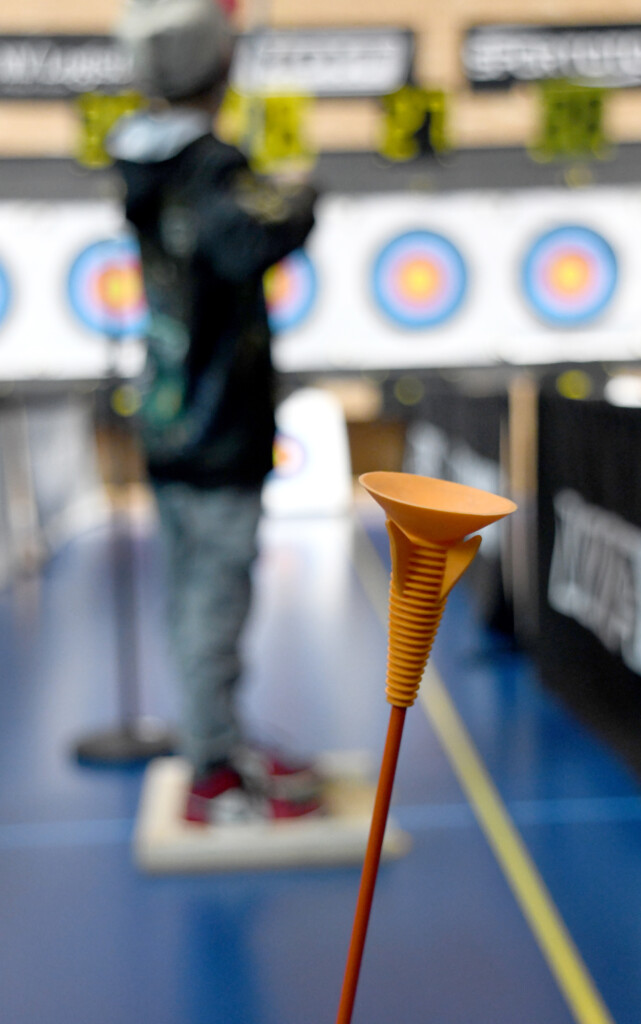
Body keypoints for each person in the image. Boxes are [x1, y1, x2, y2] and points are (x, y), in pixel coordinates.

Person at [108, 0, 321, 824]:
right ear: (216, 68)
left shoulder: (146, 159)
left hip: (170, 419)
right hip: (215, 425)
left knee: (195, 598)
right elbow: (248, 242)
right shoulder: (207, 165)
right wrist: (301, 199)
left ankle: (220, 741)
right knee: (214, 604)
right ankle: (212, 775)